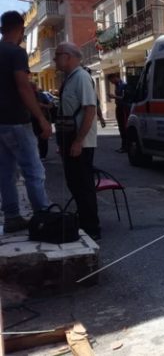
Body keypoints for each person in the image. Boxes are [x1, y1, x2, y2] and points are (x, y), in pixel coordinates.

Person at [0, 11, 51, 233]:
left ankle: (12, 217)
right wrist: (41, 118)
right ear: (20, 30)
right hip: (17, 121)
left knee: (6, 173)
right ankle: (43, 217)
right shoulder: (16, 53)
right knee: (33, 171)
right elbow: (22, 85)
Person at [55, 42, 101, 240]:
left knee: (83, 185)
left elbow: (90, 109)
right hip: (70, 139)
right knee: (74, 183)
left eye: (58, 55)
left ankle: (92, 229)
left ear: (68, 56)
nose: (56, 59)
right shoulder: (69, 78)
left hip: (79, 141)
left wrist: (78, 141)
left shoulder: (81, 77)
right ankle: (84, 222)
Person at [30, 81, 54, 159]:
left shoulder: (42, 95)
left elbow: (50, 106)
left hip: (42, 118)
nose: (33, 89)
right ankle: (35, 155)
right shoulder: (27, 96)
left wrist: (42, 105)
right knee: (31, 138)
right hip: (31, 119)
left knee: (43, 138)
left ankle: (43, 155)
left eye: (33, 87)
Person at [108, 73, 128, 152]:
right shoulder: (117, 85)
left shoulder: (123, 85)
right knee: (121, 127)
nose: (111, 82)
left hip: (123, 108)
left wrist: (114, 97)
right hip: (119, 107)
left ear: (115, 77)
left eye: (111, 80)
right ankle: (123, 146)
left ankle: (126, 146)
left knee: (124, 127)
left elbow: (125, 97)